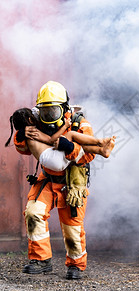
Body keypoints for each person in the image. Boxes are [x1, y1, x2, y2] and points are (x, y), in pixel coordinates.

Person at [8, 81, 107, 279]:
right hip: (47, 178)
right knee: (33, 212)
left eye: (53, 112)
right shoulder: (35, 123)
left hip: (72, 180)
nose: (49, 117)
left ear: (64, 109)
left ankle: (76, 265)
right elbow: (24, 149)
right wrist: (21, 134)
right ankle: (41, 260)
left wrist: (70, 148)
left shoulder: (80, 124)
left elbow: (88, 156)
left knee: (72, 226)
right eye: (45, 112)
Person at [5, 107, 116, 172]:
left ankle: (101, 150)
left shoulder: (27, 135)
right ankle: (99, 142)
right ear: (30, 119)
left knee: (73, 143)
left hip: (52, 161)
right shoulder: (32, 131)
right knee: (72, 135)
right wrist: (65, 126)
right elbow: (50, 139)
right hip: (53, 160)